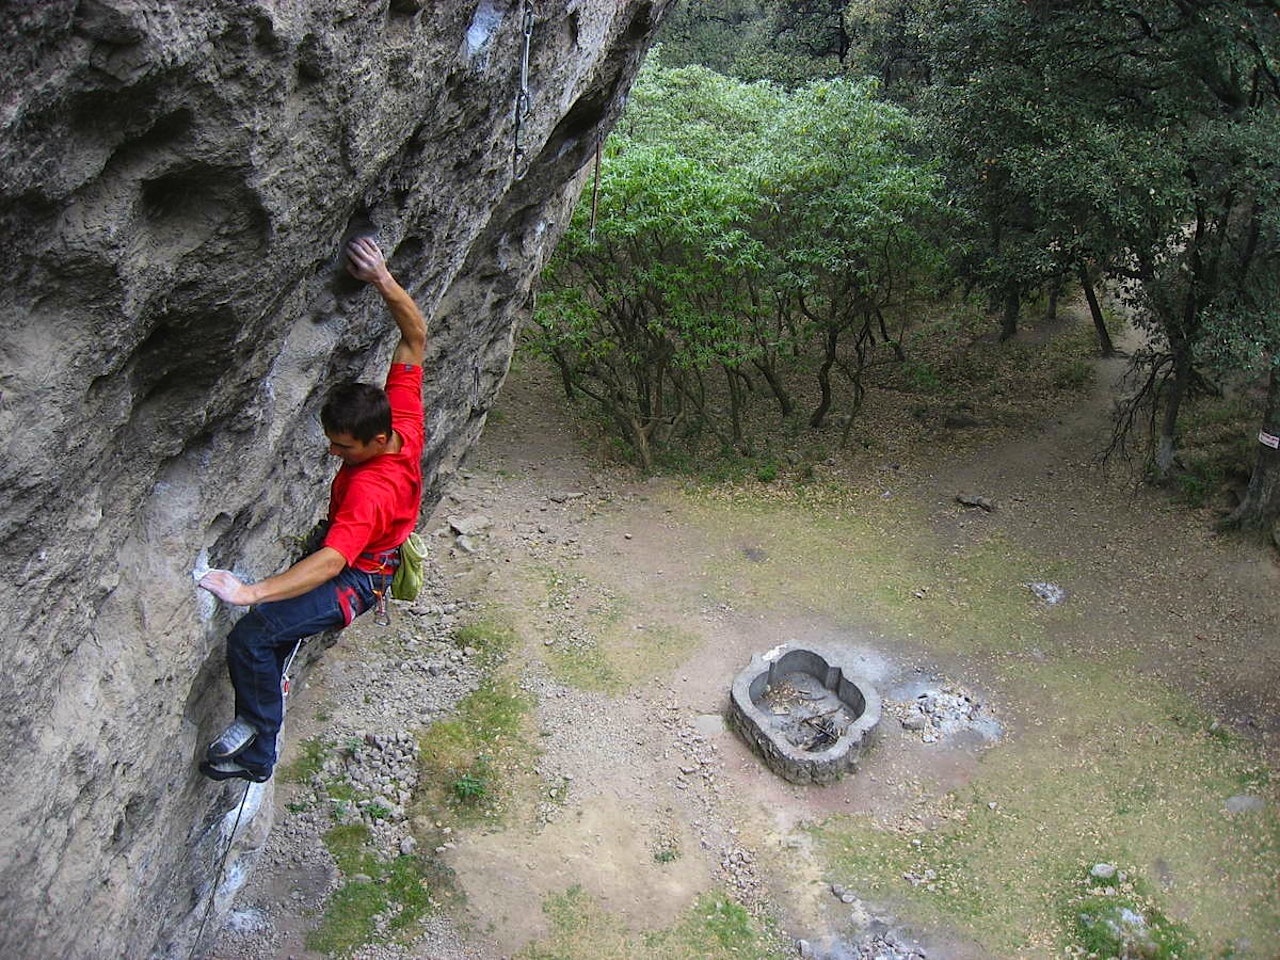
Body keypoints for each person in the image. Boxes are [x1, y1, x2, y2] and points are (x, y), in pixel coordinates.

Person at [198, 236, 427, 782]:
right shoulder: (403, 420)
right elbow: (415, 337)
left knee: (253, 635)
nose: (332, 453)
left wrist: (249, 592)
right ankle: (268, 691)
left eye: (343, 447)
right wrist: (382, 279)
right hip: (369, 556)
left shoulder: (372, 491)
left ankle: (258, 753)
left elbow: (331, 563)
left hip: (357, 576)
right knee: (274, 630)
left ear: (375, 440)